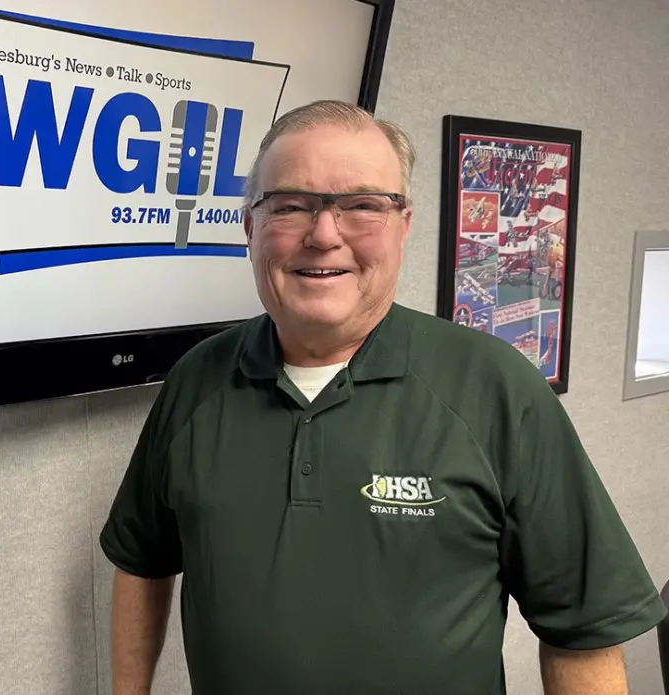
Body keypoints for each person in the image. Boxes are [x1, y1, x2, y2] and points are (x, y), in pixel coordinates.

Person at [98, 100, 667, 695]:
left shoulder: (495, 388)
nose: (324, 234)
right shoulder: (196, 382)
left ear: (403, 226)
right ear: (250, 226)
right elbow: (141, 558)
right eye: (289, 206)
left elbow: (583, 629)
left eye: (363, 206)